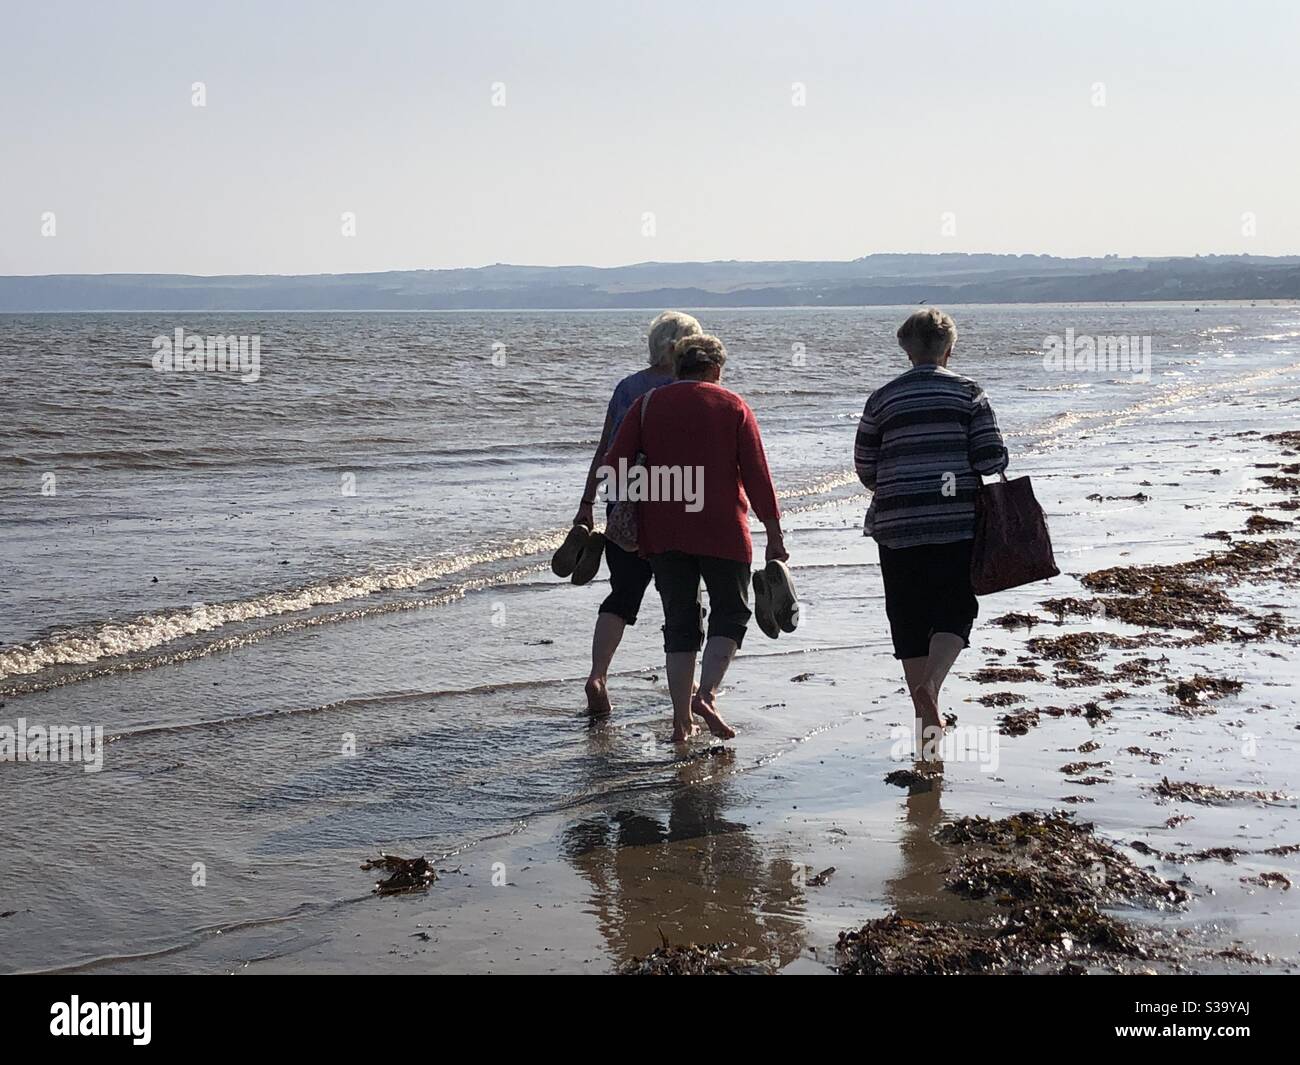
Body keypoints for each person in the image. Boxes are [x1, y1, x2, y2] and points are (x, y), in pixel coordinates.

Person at [605, 334, 788, 743]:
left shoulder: (647, 404)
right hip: (723, 528)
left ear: (677, 365)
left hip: (664, 530)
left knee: (680, 621)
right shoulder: (733, 406)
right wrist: (774, 533)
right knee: (732, 611)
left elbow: (614, 465)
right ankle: (705, 695)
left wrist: (650, 493)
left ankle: (680, 721)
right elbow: (758, 476)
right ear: (715, 370)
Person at [854, 309, 1008, 761]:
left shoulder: (882, 398)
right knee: (955, 608)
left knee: (906, 615)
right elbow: (989, 457)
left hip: (896, 522)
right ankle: (931, 688)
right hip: (955, 520)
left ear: (906, 348)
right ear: (949, 348)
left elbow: (865, 463)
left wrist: (895, 485)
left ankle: (925, 724)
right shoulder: (969, 393)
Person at [572, 311, 703, 717]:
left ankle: (598, 675)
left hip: (625, 504)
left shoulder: (628, 388)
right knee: (681, 600)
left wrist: (587, 502)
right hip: (679, 503)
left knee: (623, 594)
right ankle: (687, 686)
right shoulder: (695, 389)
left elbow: (605, 449)